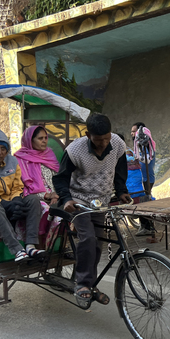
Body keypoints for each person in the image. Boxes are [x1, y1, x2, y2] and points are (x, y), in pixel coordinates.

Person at [53, 113, 131, 305]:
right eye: (98, 140)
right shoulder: (75, 150)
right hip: (78, 200)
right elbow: (61, 178)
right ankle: (83, 284)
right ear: (88, 135)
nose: (103, 143)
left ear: (111, 134)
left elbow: (121, 170)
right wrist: (66, 199)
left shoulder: (118, 144)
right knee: (87, 237)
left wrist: (121, 191)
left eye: (106, 138)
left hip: (101, 200)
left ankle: (90, 282)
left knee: (98, 242)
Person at [0, 128, 45, 262]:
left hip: (9, 201)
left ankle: (30, 245)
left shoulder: (12, 161)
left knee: (33, 200)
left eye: (3, 148)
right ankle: (17, 250)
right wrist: (5, 204)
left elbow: (17, 186)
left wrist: (16, 200)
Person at [13, 126, 61, 247]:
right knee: (45, 209)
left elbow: (57, 178)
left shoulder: (49, 154)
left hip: (54, 195)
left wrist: (56, 195)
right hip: (33, 197)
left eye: (45, 138)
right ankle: (38, 249)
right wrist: (46, 195)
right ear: (30, 140)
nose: (44, 141)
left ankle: (60, 248)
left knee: (66, 209)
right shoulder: (19, 159)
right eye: (40, 138)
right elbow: (23, 187)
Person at [131, 122, 156, 236]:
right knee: (143, 201)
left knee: (143, 202)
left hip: (146, 180)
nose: (132, 134)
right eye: (131, 132)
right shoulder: (140, 147)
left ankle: (148, 227)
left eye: (134, 132)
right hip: (143, 179)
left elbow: (145, 160)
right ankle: (145, 225)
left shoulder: (146, 146)